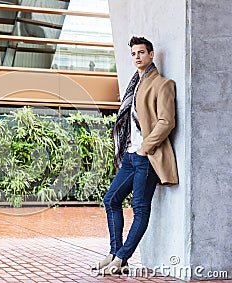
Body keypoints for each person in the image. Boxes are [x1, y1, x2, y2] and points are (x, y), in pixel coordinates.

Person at [92, 36, 178, 275]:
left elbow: (166, 121)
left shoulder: (163, 84)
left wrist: (145, 147)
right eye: (133, 54)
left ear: (151, 55)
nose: (137, 57)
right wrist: (133, 148)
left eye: (141, 52)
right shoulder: (134, 85)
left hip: (147, 157)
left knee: (140, 208)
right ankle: (115, 252)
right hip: (130, 156)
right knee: (111, 199)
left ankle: (121, 258)